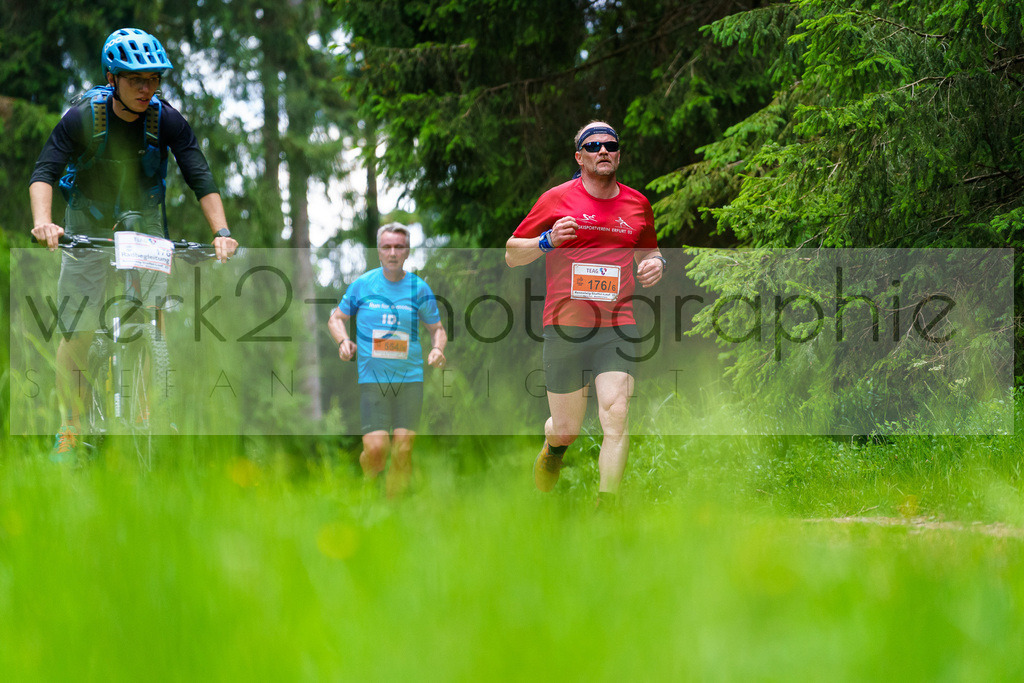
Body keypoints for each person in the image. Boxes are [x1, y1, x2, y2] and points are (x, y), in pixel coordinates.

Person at [29, 27, 238, 458]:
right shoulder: (83, 118)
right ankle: (70, 426)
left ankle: (147, 412)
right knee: (77, 328)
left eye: (154, 79)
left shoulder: (168, 120)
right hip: (86, 221)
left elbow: (199, 174)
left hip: (143, 222)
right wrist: (44, 223)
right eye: (136, 80)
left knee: (152, 310)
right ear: (113, 79)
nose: (147, 88)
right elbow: (45, 172)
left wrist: (221, 232)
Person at [505, 121, 666, 507]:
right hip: (565, 327)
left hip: (618, 325)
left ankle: (606, 507)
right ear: (580, 157)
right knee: (566, 428)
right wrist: (546, 241)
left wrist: (656, 265)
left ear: (619, 154)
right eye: (593, 145)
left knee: (617, 411)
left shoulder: (637, 204)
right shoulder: (556, 199)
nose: (603, 150)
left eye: (610, 145)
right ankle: (553, 448)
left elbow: (650, 253)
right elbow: (511, 253)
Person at [328, 223, 447, 498]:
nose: (393, 252)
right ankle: (370, 479)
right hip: (373, 380)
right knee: (377, 450)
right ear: (378, 251)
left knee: (403, 451)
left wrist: (438, 349)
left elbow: (437, 329)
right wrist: (343, 342)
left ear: (407, 251)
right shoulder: (363, 285)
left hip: (410, 379)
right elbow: (336, 318)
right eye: (386, 247)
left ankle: (393, 510)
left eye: (399, 247)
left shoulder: (419, 288)